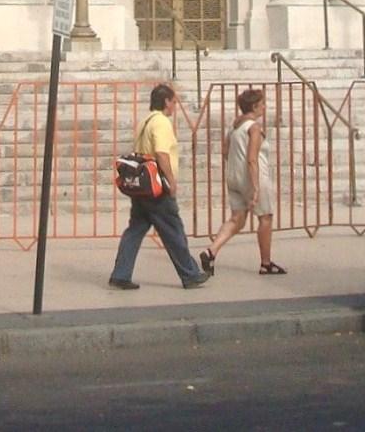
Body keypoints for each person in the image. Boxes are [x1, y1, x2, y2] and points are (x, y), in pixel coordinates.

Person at [108, 82, 210, 290]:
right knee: (173, 230)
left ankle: (121, 273)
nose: (175, 106)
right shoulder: (161, 123)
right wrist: (171, 181)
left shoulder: (144, 121)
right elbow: (162, 153)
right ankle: (190, 274)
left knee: (135, 230)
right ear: (166, 102)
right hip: (157, 186)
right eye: (173, 101)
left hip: (141, 186)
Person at [199, 87, 283, 275]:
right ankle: (266, 262)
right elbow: (252, 158)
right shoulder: (254, 128)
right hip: (253, 176)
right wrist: (254, 187)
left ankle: (211, 251)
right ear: (254, 106)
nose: (264, 107)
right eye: (262, 104)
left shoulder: (234, 127)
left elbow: (225, 152)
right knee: (265, 217)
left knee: (237, 219)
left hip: (233, 176)